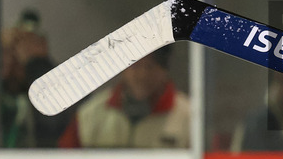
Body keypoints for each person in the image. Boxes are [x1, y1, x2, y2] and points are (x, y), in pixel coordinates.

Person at [58, 48, 189, 148]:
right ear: (122, 69)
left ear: (164, 71)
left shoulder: (190, 115)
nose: (142, 75)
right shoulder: (90, 114)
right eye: (135, 66)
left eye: (150, 66)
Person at [0, 9, 71, 147]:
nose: (17, 56)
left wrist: (37, 63)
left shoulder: (42, 79)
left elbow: (53, 122)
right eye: (9, 51)